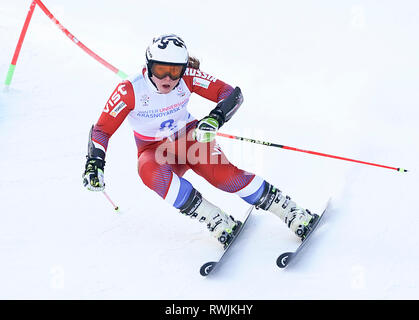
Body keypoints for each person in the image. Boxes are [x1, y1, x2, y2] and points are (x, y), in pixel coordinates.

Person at [83, 34, 317, 247]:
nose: (167, 78)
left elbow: (231, 94)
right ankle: (215, 218)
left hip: (189, 138)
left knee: (224, 177)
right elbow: (102, 129)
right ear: (148, 65)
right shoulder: (129, 90)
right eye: (161, 69)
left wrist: (215, 118)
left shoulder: (188, 77)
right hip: (154, 149)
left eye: (175, 71)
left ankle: (291, 211)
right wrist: (95, 164)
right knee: (147, 170)